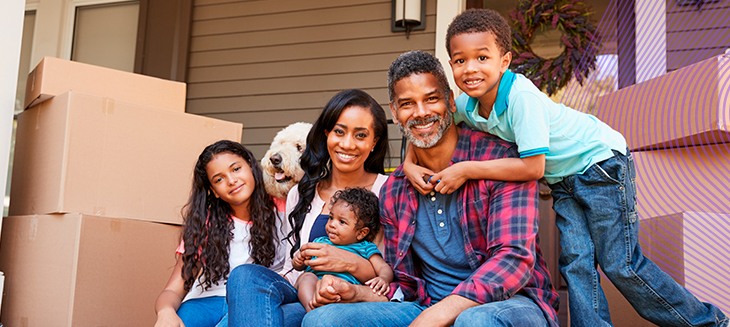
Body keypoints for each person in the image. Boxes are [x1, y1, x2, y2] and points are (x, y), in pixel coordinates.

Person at [402, 9, 729, 327]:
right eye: (461, 60)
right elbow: (432, 125)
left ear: (505, 61)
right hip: (564, 180)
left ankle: (708, 322)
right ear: (451, 65)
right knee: (576, 262)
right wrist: (408, 163)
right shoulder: (466, 105)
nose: (471, 68)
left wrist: (467, 169)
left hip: (600, 164)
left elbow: (532, 167)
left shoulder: (520, 98)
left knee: (621, 264)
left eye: (482, 57)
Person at [301, 50, 560, 327]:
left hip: (508, 303)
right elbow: (403, 280)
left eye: (431, 99)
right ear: (396, 112)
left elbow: (513, 259)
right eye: (408, 104)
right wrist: (356, 292)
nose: (421, 112)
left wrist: (436, 317)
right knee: (323, 320)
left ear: (450, 100)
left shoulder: (499, 161)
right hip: (425, 305)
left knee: (475, 321)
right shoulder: (395, 190)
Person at [225, 89, 390, 327]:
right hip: (304, 292)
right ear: (326, 134)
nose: (347, 144)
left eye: (360, 135)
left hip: (352, 300)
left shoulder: (388, 191)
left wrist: (346, 262)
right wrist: (301, 268)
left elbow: (392, 271)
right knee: (244, 276)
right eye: (339, 132)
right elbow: (290, 267)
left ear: (374, 142)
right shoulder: (301, 192)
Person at [153, 140, 287, 327]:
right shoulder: (207, 224)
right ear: (213, 191)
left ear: (250, 165)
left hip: (257, 299)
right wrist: (165, 312)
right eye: (219, 179)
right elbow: (173, 290)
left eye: (236, 169)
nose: (231, 181)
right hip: (209, 302)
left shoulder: (282, 206)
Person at [293, 187, 393, 311]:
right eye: (331, 217)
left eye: (342, 222)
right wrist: (298, 260)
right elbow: (300, 265)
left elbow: (383, 267)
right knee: (306, 277)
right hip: (314, 287)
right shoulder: (320, 242)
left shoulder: (365, 248)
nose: (332, 224)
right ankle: (311, 307)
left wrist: (383, 278)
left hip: (343, 292)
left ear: (361, 233)